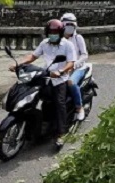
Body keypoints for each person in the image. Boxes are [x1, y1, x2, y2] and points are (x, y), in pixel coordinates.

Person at [9, 19, 76, 150]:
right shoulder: (45, 43)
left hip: (59, 79)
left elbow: (71, 63)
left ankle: (60, 133)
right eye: (50, 32)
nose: (52, 35)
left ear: (61, 33)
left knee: (59, 103)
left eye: (55, 33)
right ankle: (36, 124)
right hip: (45, 75)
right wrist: (19, 64)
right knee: (31, 95)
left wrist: (61, 71)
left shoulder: (68, 45)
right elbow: (33, 57)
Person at [60, 12, 89, 121]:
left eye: (72, 26)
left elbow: (84, 55)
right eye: (68, 25)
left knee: (70, 82)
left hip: (78, 68)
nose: (70, 28)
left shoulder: (78, 38)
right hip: (63, 68)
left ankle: (79, 108)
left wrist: (75, 64)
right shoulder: (59, 39)